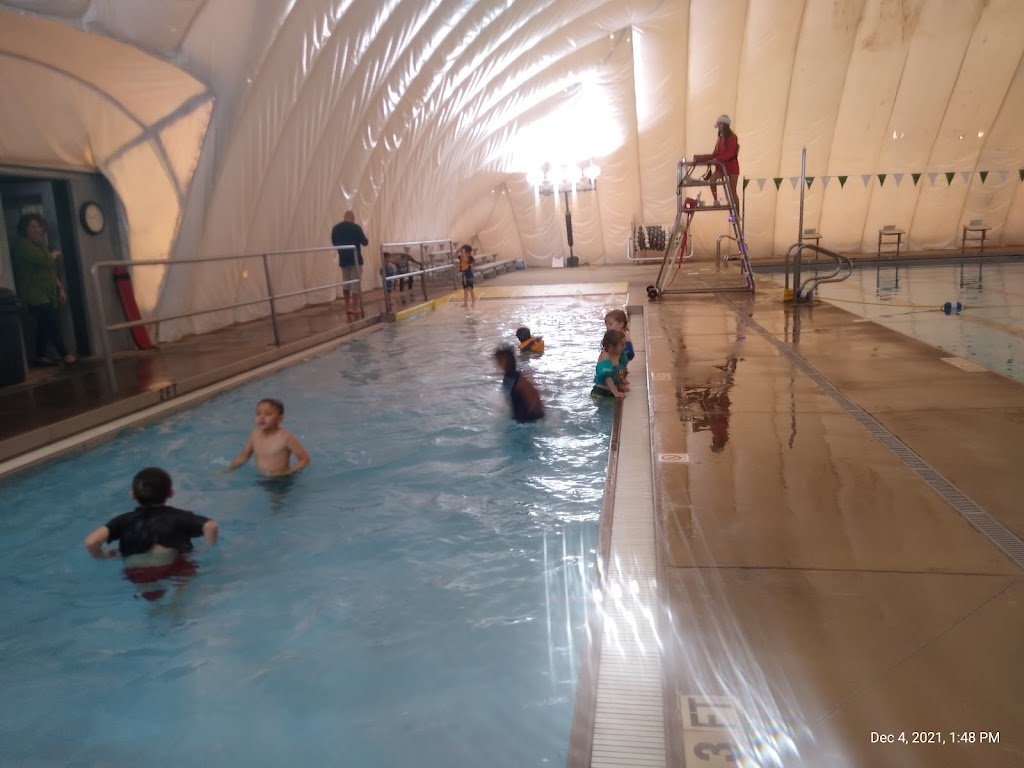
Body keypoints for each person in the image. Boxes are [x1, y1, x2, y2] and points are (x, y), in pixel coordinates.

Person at [83, 467, 218, 600]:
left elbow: (91, 542)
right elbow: (210, 526)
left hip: (138, 573)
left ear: (133, 495)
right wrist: (206, 548)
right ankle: (178, 602)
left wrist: (103, 555)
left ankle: (155, 604)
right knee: (187, 569)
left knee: (152, 597)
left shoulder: (122, 521)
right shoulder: (179, 517)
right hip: (173, 566)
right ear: (171, 493)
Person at [11, 212, 77, 366]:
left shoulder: (40, 245)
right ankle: (65, 354)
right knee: (51, 322)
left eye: (39, 226)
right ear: (24, 229)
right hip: (34, 293)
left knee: (44, 323)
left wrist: (60, 288)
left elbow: (51, 269)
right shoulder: (22, 245)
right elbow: (45, 261)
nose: (37, 229)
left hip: (48, 292)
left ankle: (40, 355)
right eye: (32, 226)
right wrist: (53, 254)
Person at [225, 398, 311, 476]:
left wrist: (290, 472)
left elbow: (305, 459)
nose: (261, 418)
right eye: (258, 413)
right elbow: (244, 456)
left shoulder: (286, 437)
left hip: (281, 479)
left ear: (280, 419)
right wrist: (227, 470)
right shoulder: (254, 434)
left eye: (268, 414)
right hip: (261, 477)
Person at [695, 114, 740, 219]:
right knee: (712, 180)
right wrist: (699, 158)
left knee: (732, 191)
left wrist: (717, 159)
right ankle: (716, 199)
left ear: (725, 125)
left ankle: (736, 215)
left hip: (731, 167)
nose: (718, 127)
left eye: (720, 124)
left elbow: (730, 153)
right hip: (721, 167)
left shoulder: (733, 137)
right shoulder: (720, 138)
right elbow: (715, 154)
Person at [331, 210, 369, 317]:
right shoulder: (355, 228)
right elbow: (365, 242)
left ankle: (347, 306)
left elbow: (334, 243)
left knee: (346, 284)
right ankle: (355, 307)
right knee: (356, 284)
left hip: (343, 259)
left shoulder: (336, 228)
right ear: (352, 217)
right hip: (355, 260)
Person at [494, 344, 545, 423]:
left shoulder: (519, 379)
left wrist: (533, 418)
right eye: (497, 361)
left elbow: (535, 396)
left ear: (509, 361)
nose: (498, 364)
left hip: (528, 422)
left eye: (500, 360)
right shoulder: (507, 378)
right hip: (519, 420)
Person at [593, 329, 628, 399]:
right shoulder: (605, 356)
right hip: (600, 393)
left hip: (610, 391)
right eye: (622, 345)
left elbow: (620, 372)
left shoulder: (618, 355)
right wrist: (616, 393)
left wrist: (620, 385)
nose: (624, 347)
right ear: (611, 346)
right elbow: (607, 377)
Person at [603, 310, 634, 378]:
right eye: (606, 325)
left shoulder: (619, 336)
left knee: (617, 364)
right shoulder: (625, 333)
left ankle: (620, 378)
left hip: (626, 351)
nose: (607, 327)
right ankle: (623, 372)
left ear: (621, 324)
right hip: (628, 350)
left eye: (610, 324)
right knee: (622, 364)